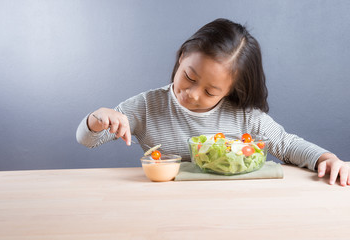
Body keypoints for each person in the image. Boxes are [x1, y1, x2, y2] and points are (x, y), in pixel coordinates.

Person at [76, 18, 349, 186]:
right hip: (164, 210)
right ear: (182, 56)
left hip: (232, 209)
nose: (193, 94)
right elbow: (88, 140)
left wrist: (328, 158)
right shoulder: (147, 106)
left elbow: (288, 145)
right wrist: (98, 118)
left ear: (231, 90)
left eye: (211, 92)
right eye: (189, 77)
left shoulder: (244, 117)